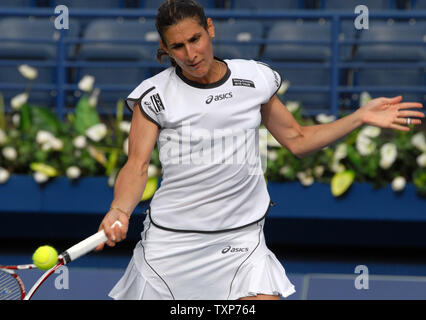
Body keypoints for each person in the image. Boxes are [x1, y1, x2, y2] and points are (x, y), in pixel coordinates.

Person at [95, 0, 424, 300]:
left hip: (241, 240)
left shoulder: (253, 78)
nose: (190, 53)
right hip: (173, 242)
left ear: (210, 28)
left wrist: (359, 117)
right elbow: (136, 166)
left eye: (195, 39)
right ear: (166, 49)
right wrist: (119, 211)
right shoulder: (154, 96)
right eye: (177, 46)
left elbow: (298, 139)